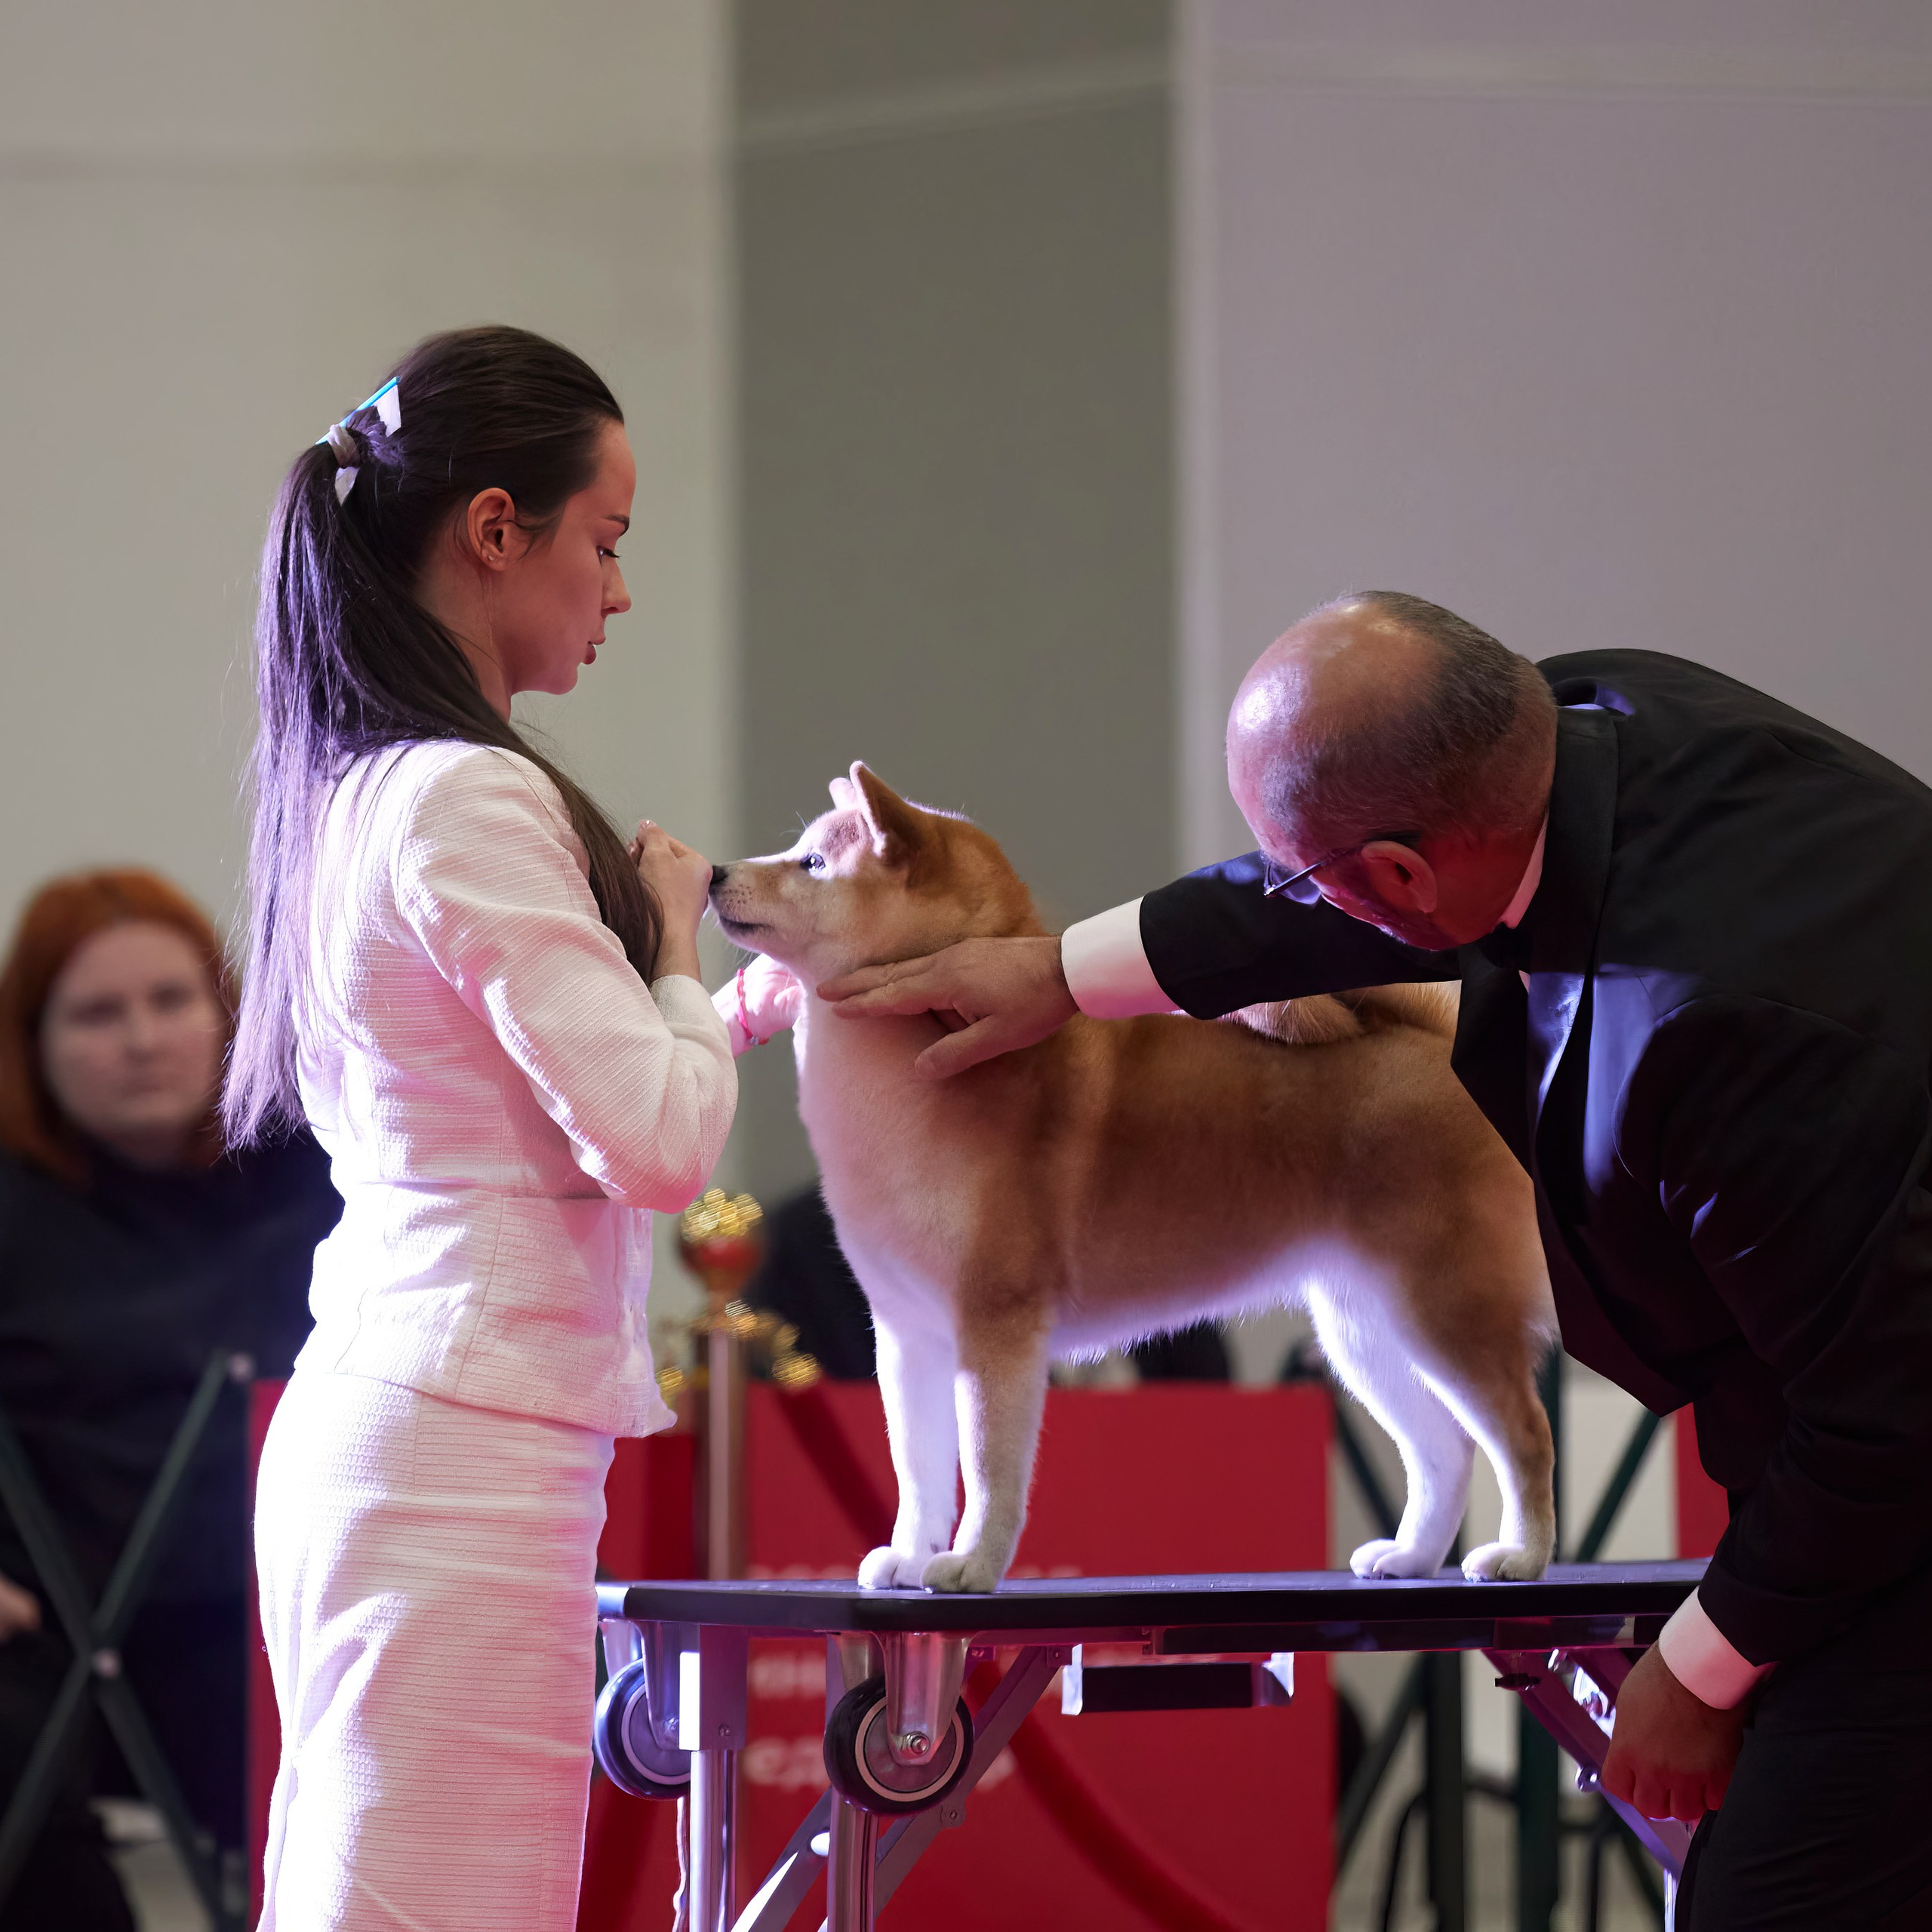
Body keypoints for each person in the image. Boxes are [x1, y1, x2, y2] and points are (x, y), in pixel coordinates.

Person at [820, 592, 1932, 1927]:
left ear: (1400, 878)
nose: (1295, 905)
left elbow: (1889, 1422)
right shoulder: (1593, 720)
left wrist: (1699, 1667)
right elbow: (1304, 908)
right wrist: (1060, 970)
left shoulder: (1708, 1030)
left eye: (1307, 877)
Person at [228, 327, 792, 1932]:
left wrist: (740, 1003)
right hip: (454, 1451)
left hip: (405, 1421)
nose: (617, 592)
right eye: (603, 542)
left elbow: (520, 1106)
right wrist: (677, 941)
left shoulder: (354, 783)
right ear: (494, 528)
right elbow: (660, 1146)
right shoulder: (469, 795)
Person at [0, 868, 340, 1930]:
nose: (142, 1039)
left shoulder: (322, 1171)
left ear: (227, 1012)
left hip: (274, 1619)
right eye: (98, 1013)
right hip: (44, 1624)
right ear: (35, 1044)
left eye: (172, 1000)